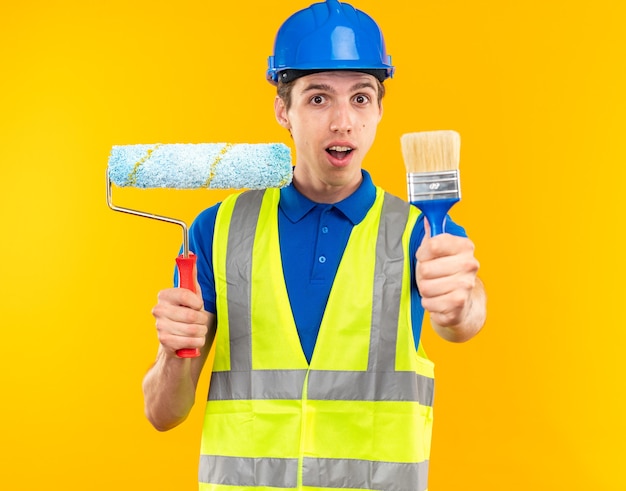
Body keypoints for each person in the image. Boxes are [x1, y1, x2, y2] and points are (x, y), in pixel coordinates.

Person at [142, 1, 486, 490]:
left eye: (361, 98)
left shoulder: (422, 233)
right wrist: (171, 350)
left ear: (381, 109)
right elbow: (163, 413)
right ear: (284, 110)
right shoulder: (216, 230)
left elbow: (464, 316)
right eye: (319, 99)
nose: (343, 122)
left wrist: (461, 306)